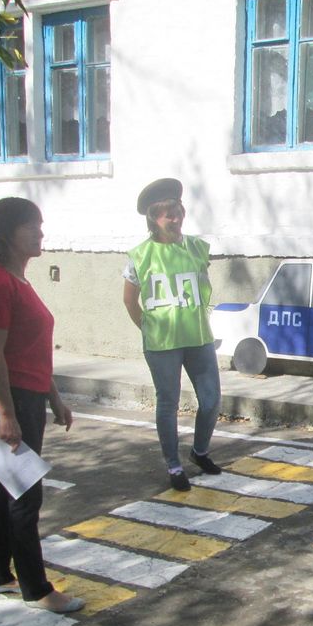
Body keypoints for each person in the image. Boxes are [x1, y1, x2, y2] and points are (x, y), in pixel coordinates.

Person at [0, 197, 83, 614]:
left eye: (40, 225)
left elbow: (31, 351)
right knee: (25, 498)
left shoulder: (19, 281)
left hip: (28, 397)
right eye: (31, 226)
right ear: (6, 234)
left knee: (12, 490)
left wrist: (55, 398)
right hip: (9, 400)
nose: (40, 233)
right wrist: (6, 413)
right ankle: (37, 591)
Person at [122, 178, 222, 491]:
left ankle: (199, 451)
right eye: (168, 214)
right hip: (162, 343)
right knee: (168, 403)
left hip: (198, 336)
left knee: (211, 399)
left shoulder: (197, 248)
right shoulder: (140, 255)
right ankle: (174, 465)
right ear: (154, 218)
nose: (176, 219)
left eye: (178, 211)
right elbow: (129, 301)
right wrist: (148, 328)